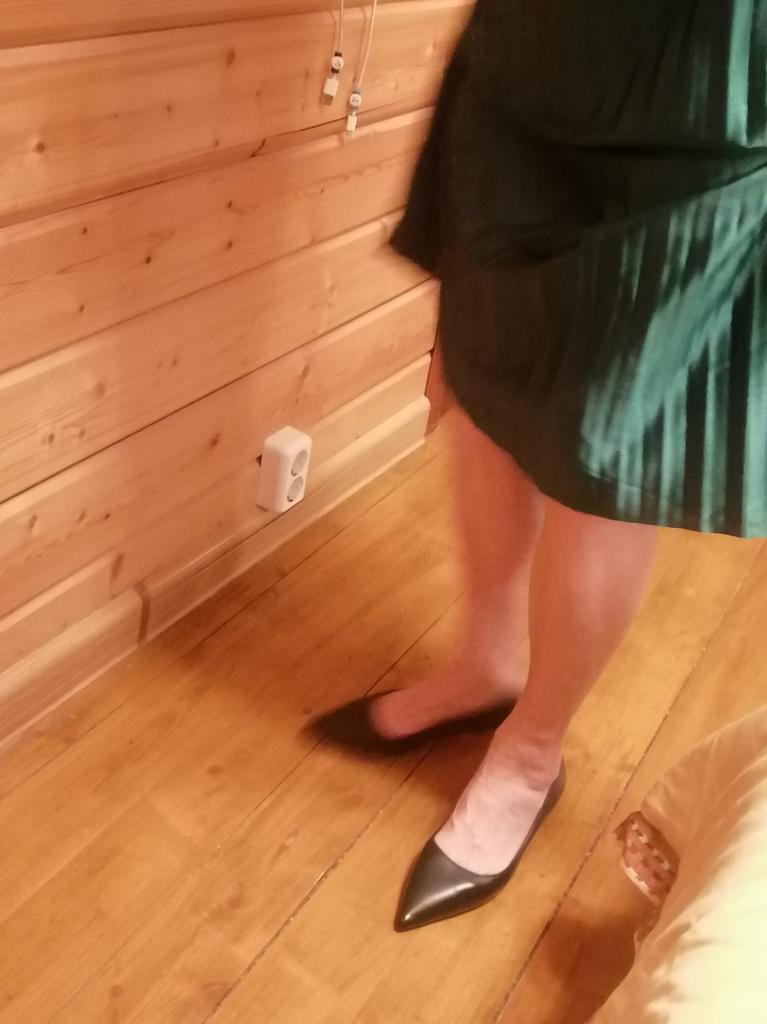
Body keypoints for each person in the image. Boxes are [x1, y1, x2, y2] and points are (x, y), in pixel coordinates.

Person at [310, 0, 767, 930]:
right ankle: (484, 666)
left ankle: (530, 751)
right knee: (480, 378)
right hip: (527, 58)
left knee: (607, 447)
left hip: (702, 96)